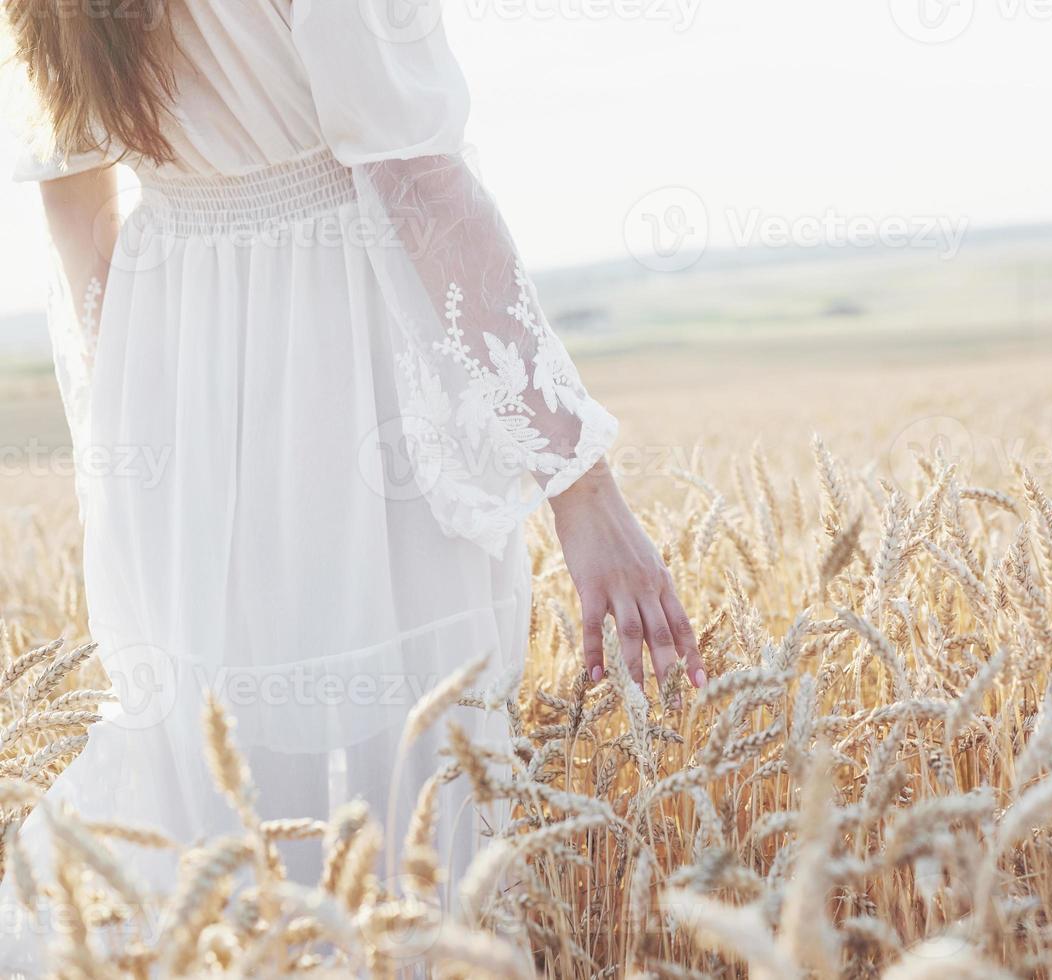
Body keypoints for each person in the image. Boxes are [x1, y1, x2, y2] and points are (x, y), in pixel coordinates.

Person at [0, 0, 703, 966]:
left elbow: (74, 208)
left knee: (219, 771)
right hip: (351, 370)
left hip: (171, 380)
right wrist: (582, 491)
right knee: (403, 779)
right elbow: (419, 181)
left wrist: (157, 440)